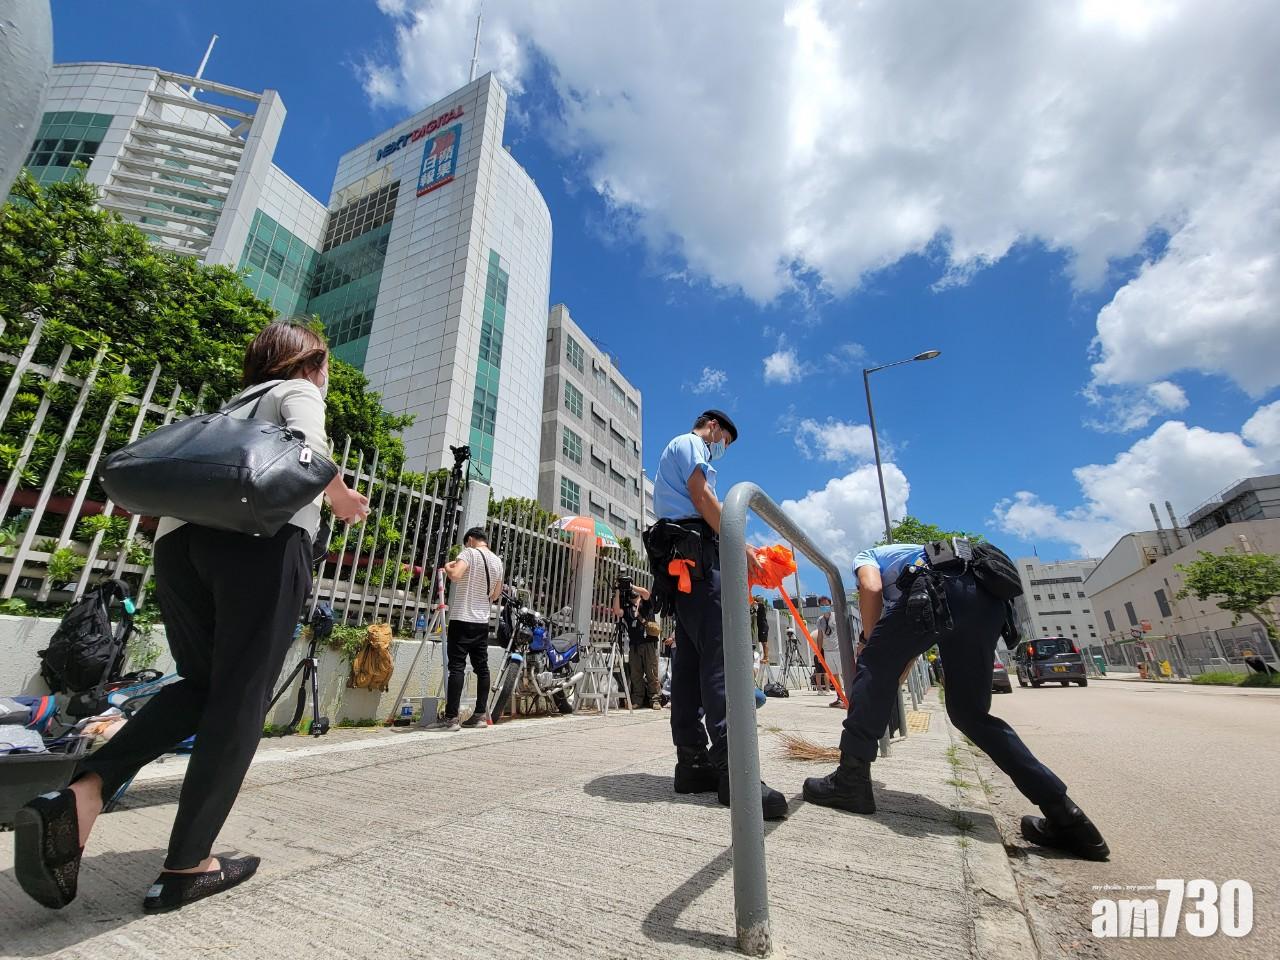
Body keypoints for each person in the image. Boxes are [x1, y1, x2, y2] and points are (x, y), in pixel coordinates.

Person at [14, 321, 370, 913]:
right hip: (260, 540)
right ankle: (187, 865)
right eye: (325, 365)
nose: (326, 376)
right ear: (308, 362)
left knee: (202, 685)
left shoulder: (229, 409)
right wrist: (341, 497)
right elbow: (311, 453)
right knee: (241, 698)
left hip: (179, 550)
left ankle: (84, 790)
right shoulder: (300, 390)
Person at [803, 542, 1110, 861]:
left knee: (873, 661)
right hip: (988, 603)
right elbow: (902, 659)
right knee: (969, 713)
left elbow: (870, 585)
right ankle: (1067, 816)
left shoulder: (867, 556)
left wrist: (868, 644)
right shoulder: (920, 560)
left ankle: (851, 779)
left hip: (941, 589)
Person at [645, 410, 786, 820]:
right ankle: (735, 770)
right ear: (713, 425)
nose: (721, 447)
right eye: (724, 438)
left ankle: (692, 764)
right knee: (722, 659)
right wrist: (739, 544)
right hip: (700, 562)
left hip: (684, 567)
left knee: (689, 664)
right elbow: (703, 496)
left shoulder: (675, 451)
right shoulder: (690, 443)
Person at [439, 527, 504, 731]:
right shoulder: (497, 561)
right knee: (481, 668)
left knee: (456, 667)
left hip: (462, 618)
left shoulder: (468, 553)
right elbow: (495, 594)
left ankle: (451, 718)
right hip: (482, 622)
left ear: (470, 539)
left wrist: (448, 567)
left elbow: (456, 575)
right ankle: (479, 716)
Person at [615, 583, 662, 710]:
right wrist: (618, 591)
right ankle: (637, 700)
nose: (632, 592)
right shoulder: (629, 608)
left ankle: (655, 699)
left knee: (652, 673)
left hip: (648, 644)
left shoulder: (645, 603)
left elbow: (646, 593)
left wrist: (631, 586)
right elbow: (617, 611)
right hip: (634, 645)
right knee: (636, 674)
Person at [814, 597, 843, 707]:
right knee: (834, 674)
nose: (824, 606)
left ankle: (851, 696)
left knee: (844, 672)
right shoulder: (820, 620)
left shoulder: (836, 616)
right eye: (822, 605)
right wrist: (819, 651)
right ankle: (840, 697)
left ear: (830, 605)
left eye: (826, 604)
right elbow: (820, 636)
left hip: (838, 649)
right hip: (827, 650)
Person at [754, 595, 770, 666]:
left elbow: (755, 604)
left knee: (764, 643)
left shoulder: (761, 605)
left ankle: (766, 657)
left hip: (763, 626)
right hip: (761, 626)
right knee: (763, 642)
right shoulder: (759, 606)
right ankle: (765, 657)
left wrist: (753, 600)